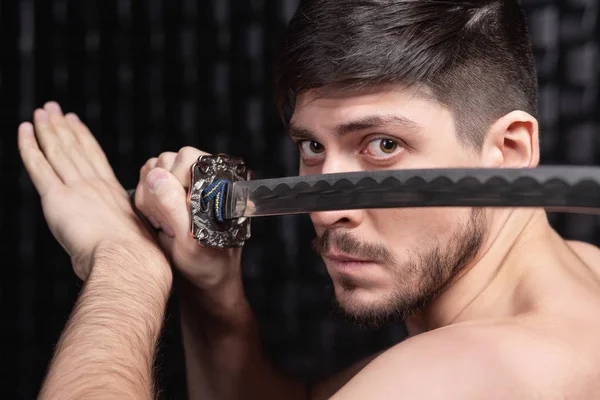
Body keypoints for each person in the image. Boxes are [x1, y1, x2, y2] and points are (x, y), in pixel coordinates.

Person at [17, 0, 600, 399]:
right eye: (312, 146)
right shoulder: (580, 273)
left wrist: (124, 262)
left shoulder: (464, 371)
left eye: (383, 144)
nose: (325, 209)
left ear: (510, 148)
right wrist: (213, 292)